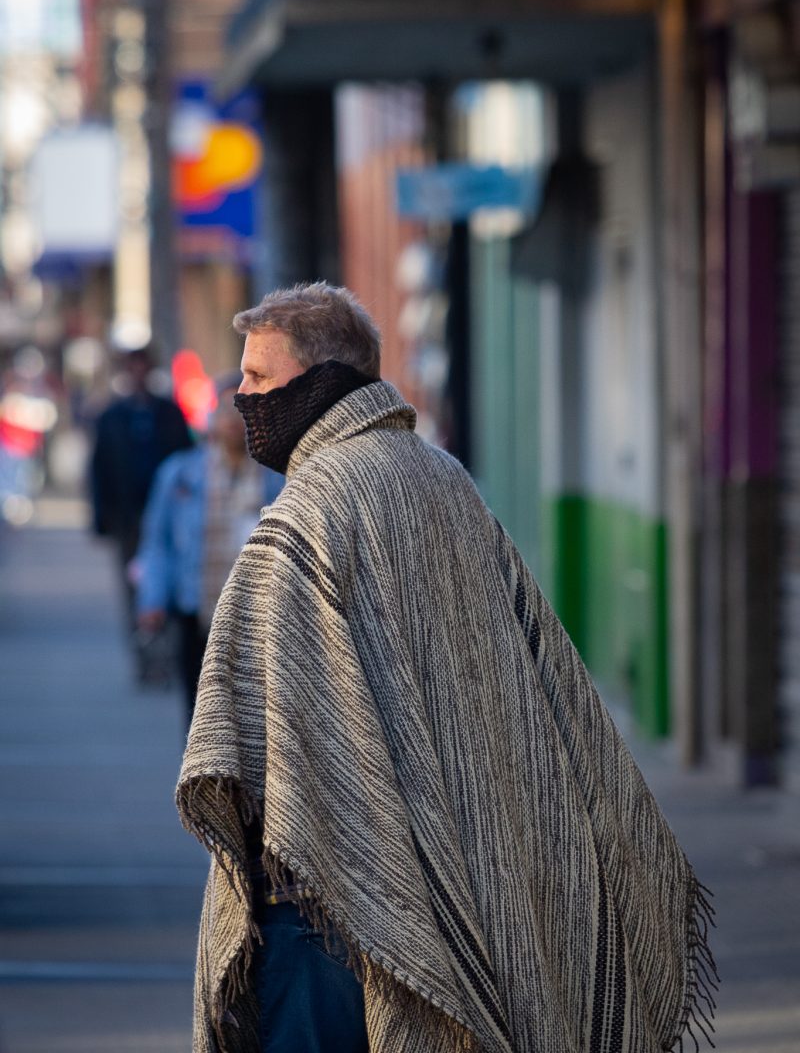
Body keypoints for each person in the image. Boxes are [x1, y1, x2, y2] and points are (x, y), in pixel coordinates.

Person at [177, 283, 717, 1053]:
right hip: (461, 866)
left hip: (323, 897)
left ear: (322, 380)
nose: (243, 396)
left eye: (260, 376)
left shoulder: (308, 514)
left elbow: (243, 728)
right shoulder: (445, 479)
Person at [136, 375, 284, 728]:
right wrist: (153, 600)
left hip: (258, 618)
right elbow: (158, 543)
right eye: (226, 410)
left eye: (242, 411)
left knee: (255, 721)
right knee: (200, 718)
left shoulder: (276, 476)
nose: (233, 420)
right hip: (196, 610)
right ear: (212, 416)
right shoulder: (180, 474)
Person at [89, 346, 192, 664]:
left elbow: (185, 458)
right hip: (128, 518)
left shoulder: (169, 413)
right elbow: (99, 469)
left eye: (142, 366)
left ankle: (167, 651)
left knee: (169, 579)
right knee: (134, 586)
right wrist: (102, 518)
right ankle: (144, 653)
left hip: (168, 515)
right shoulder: (111, 417)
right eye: (132, 367)